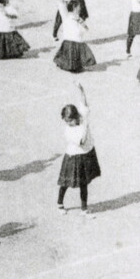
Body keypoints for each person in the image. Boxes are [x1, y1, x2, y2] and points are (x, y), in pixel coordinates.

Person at [57, 84, 101, 215]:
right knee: (65, 182)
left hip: (86, 154)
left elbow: (84, 103)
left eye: (69, 120)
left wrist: (82, 90)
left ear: (75, 117)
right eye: (66, 121)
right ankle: (59, 203)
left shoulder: (82, 116)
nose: (68, 123)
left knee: (84, 183)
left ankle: (84, 208)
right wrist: (85, 126)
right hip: (74, 157)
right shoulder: (68, 131)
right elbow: (81, 142)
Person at [52, 0, 96, 73]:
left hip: (72, 42)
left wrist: (82, 24)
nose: (80, 8)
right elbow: (61, 6)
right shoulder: (67, 15)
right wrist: (63, 1)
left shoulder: (78, 18)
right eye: (78, 7)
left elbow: (85, 29)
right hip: (73, 42)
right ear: (74, 7)